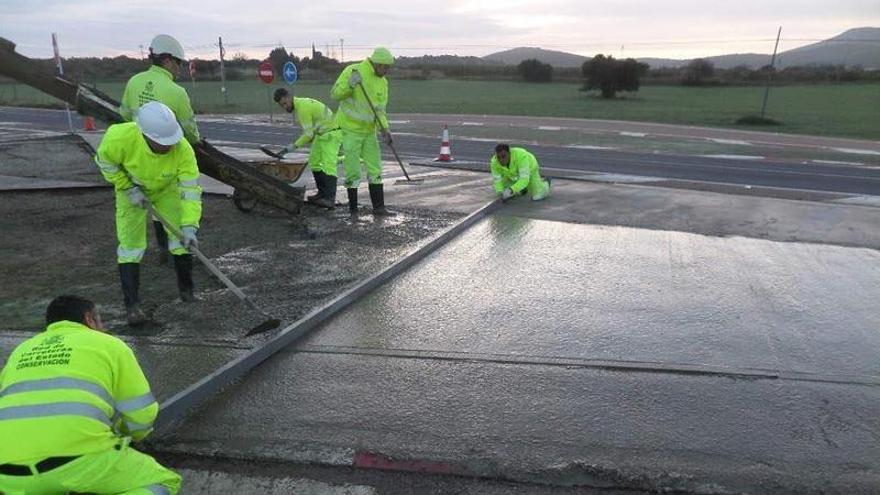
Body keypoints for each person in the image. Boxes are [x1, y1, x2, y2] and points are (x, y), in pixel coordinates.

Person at [0, 295, 181, 494]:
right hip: (80, 462)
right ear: (89, 319)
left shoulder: (21, 350)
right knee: (164, 482)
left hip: (7, 473)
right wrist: (126, 435)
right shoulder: (109, 344)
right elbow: (142, 415)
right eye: (100, 321)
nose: (103, 327)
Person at [94, 101, 202, 325]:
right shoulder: (119, 138)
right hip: (131, 192)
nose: (169, 147)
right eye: (162, 143)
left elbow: (190, 191)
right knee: (130, 246)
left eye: (171, 141)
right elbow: (105, 162)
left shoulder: (183, 149)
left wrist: (190, 226)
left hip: (166, 190)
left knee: (181, 241)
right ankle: (132, 307)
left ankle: (187, 293)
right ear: (145, 135)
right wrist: (127, 187)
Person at [120, 34, 201, 265]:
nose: (179, 68)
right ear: (167, 60)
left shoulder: (134, 82)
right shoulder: (176, 92)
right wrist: (196, 142)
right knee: (170, 201)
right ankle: (179, 254)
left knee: (150, 200)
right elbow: (189, 128)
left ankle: (162, 250)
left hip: (138, 158)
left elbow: (124, 115)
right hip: (167, 157)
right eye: (178, 63)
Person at [331, 46, 396, 216]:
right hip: (349, 130)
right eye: (385, 67)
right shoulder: (353, 71)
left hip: (369, 132)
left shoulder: (383, 82)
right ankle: (353, 209)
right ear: (377, 64)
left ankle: (379, 207)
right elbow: (335, 94)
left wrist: (385, 129)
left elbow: (380, 111)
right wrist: (350, 85)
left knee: (375, 168)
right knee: (353, 171)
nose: (387, 71)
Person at [273, 87, 341, 209]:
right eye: (282, 105)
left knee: (329, 165)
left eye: (285, 103)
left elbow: (308, 135)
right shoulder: (301, 104)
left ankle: (330, 198)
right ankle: (322, 193)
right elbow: (311, 132)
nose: (285, 107)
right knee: (314, 162)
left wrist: (289, 149)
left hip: (331, 134)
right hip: (321, 134)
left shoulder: (302, 108)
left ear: (289, 97)